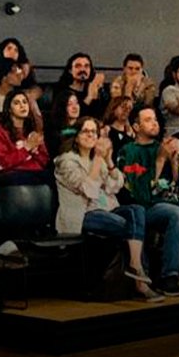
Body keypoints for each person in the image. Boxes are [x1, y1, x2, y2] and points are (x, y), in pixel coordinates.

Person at [55, 116, 163, 302]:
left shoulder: (98, 159)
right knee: (129, 227)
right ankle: (140, 280)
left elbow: (116, 186)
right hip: (82, 214)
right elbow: (89, 190)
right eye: (86, 131)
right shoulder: (66, 161)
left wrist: (108, 160)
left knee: (136, 211)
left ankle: (135, 267)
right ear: (76, 136)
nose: (91, 135)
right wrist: (98, 158)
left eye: (94, 132)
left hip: (106, 209)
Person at [118, 108, 179, 297]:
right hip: (148, 208)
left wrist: (173, 161)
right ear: (136, 127)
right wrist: (160, 160)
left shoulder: (164, 146)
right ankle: (169, 276)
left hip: (177, 202)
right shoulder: (129, 151)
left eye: (156, 119)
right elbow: (141, 194)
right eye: (148, 120)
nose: (154, 123)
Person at [0, 88, 50, 176]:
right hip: (13, 175)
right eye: (17, 103)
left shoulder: (33, 129)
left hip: (37, 174)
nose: (22, 106)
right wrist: (26, 148)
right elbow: (1, 162)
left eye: (25, 102)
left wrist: (35, 152)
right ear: (9, 109)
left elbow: (44, 160)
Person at [57, 52, 109, 119]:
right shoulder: (61, 90)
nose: (82, 69)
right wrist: (89, 97)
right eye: (78, 66)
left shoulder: (95, 88)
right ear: (70, 70)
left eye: (86, 66)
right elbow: (72, 116)